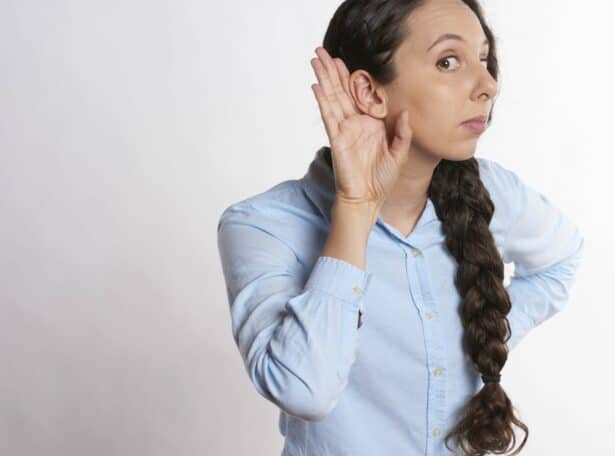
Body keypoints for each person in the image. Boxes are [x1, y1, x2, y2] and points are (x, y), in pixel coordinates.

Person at [216, 0, 585, 454]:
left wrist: (480, 330)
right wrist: (356, 206)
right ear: (370, 93)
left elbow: (561, 258)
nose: (488, 85)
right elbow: (303, 391)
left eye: (484, 59)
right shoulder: (263, 226)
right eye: (448, 62)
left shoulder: (495, 194)